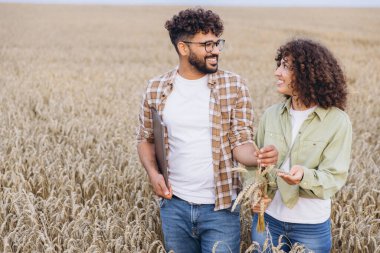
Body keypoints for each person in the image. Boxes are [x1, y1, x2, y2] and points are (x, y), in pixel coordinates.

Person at [136, 8, 278, 253]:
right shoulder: (156, 88)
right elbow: (145, 138)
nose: (216, 50)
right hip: (174, 206)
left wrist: (258, 157)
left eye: (217, 42)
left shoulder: (234, 85)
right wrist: (153, 174)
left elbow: (240, 140)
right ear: (183, 47)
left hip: (221, 209)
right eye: (207, 44)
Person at [248, 38, 352, 253]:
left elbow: (334, 177)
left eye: (285, 66)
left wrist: (303, 176)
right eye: (279, 64)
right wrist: (254, 193)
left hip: (310, 227)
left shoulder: (337, 121)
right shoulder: (271, 115)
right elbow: (253, 163)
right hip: (267, 221)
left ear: (308, 73)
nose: (277, 72)